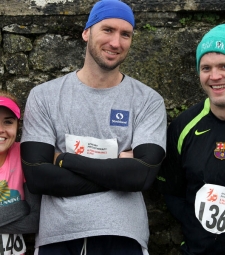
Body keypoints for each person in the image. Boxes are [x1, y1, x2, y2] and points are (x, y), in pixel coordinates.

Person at [20, 0, 167, 254]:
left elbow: (142, 174)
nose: (116, 42)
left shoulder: (148, 100)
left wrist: (65, 160)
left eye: (125, 34)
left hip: (123, 236)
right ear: (86, 32)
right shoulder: (44, 96)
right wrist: (120, 172)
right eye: (107, 30)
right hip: (59, 238)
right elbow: (37, 176)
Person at [157, 23, 225, 255]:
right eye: (206, 68)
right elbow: (171, 189)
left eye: (224, 66)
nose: (215, 76)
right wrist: (198, 228)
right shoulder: (184, 126)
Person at [0, 91, 40, 255]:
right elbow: (26, 211)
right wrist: (21, 207)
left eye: (8, 122)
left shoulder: (23, 154)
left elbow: (35, 220)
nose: (1, 130)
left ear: (18, 125)